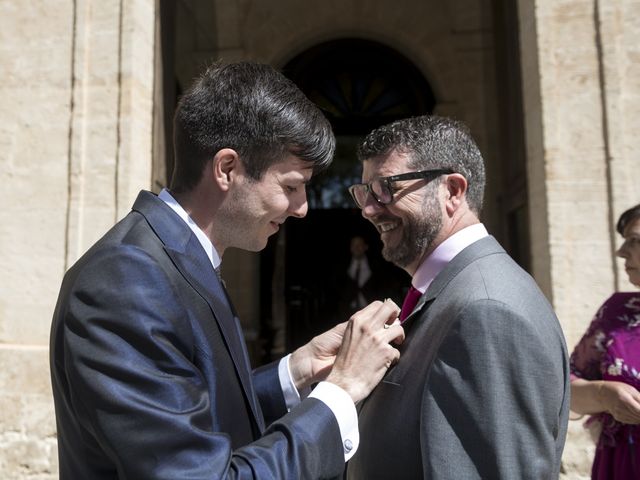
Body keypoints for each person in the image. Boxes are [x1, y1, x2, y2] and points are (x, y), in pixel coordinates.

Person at [49, 61, 405, 479]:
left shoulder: (175, 257)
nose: (303, 208)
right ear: (227, 169)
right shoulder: (125, 279)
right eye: (290, 186)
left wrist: (296, 370)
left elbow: (192, 412)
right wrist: (341, 392)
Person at [344, 114, 570, 479]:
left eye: (385, 187)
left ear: (452, 190)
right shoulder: (453, 289)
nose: (369, 209)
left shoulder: (487, 311)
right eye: (363, 192)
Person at [569, 203, 640, 479]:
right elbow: (566, 389)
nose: (621, 251)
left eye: (634, 240)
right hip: (621, 465)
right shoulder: (617, 311)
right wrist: (604, 394)